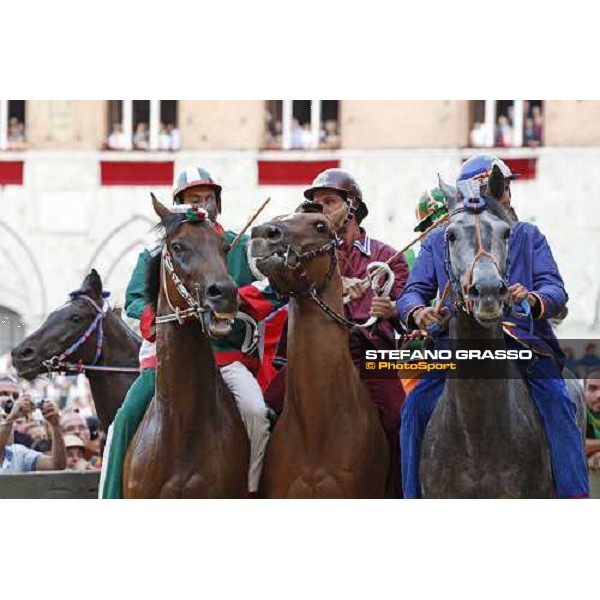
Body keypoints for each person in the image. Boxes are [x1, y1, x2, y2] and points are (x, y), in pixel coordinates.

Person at [397, 154, 589, 499]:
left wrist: (531, 298)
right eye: (502, 186)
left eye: (507, 187)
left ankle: (573, 498)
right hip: (453, 351)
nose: (508, 194)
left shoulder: (528, 235)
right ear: (480, 190)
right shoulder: (440, 239)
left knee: (561, 403)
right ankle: (412, 497)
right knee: (412, 410)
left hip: (526, 347)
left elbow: (555, 289)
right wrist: (417, 312)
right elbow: (412, 292)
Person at [100, 166, 282, 498]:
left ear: (217, 203)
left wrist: (239, 300)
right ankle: (110, 499)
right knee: (124, 420)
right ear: (179, 204)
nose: (203, 205)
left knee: (257, 413)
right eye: (193, 199)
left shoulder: (236, 244)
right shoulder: (158, 249)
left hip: (225, 358)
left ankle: (254, 492)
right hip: (169, 360)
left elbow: (274, 288)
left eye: (208, 198)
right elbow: (134, 299)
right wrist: (155, 318)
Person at [265, 168, 410, 497]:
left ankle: (400, 495)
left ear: (352, 206)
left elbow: (404, 307)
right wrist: (338, 286)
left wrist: (391, 309)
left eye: (329, 202)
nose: (322, 209)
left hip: (369, 356)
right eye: (317, 204)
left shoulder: (389, 258)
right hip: (312, 359)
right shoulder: (308, 253)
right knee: (264, 409)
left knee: (401, 418)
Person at [1, 393, 66, 473]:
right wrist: (10, 419)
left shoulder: (18, 453)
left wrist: (55, 426)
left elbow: (57, 464)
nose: (10, 427)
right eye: (1, 421)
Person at [584, 369, 600, 469]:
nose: (599, 395)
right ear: (583, 391)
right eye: (592, 388)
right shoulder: (573, 413)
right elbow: (575, 448)